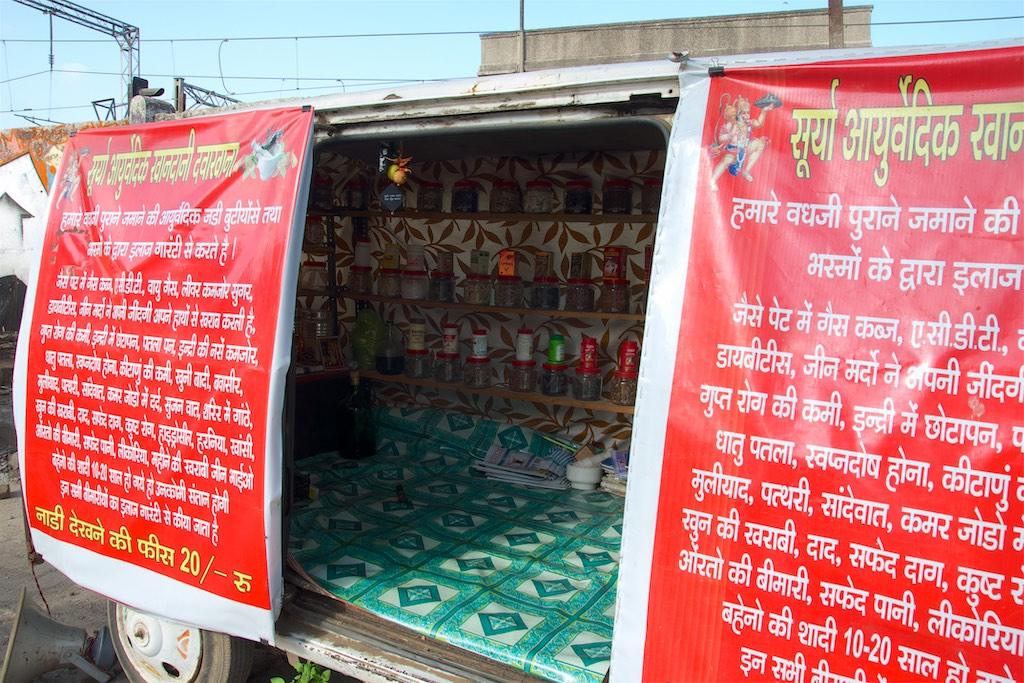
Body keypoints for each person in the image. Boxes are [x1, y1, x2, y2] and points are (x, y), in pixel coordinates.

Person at [709, 93, 779, 191]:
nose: (746, 115)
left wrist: (764, 111)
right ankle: (713, 180)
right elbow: (721, 138)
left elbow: (759, 123)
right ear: (738, 114)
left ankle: (746, 171)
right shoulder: (731, 124)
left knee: (760, 144)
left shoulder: (748, 123)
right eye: (743, 113)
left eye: (747, 113)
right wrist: (730, 135)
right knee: (726, 160)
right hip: (733, 151)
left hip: (744, 149)